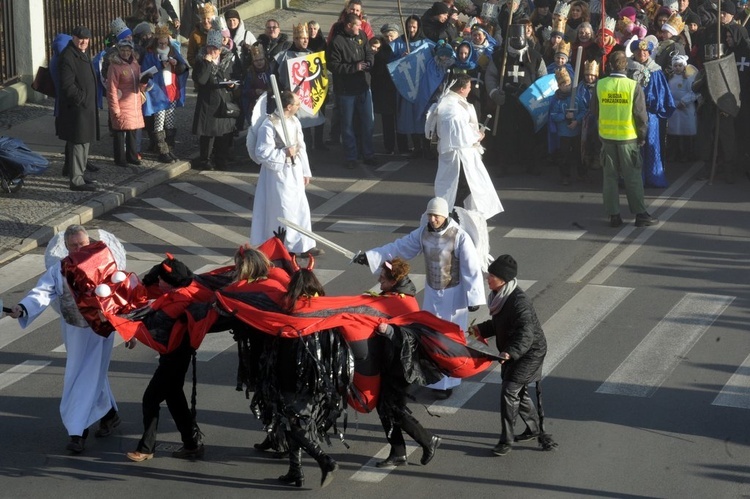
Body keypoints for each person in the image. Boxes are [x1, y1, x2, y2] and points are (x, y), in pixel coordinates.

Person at [8, 225, 132, 453]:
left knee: (83, 375)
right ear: (66, 247)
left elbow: (122, 292)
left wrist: (128, 328)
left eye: (82, 244)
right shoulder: (61, 269)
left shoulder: (105, 260)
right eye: (73, 245)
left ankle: (78, 432)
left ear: (89, 242)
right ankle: (109, 415)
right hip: (74, 329)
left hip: (100, 330)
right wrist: (23, 308)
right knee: (90, 372)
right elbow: (43, 291)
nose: (78, 248)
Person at [354, 197, 485, 398]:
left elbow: (471, 268)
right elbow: (398, 248)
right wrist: (371, 257)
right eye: (431, 215)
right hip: (432, 294)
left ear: (445, 215)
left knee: (448, 339)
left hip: (453, 296)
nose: (433, 219)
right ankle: (432, 376)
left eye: (437, 216)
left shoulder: (459, 237)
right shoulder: (423, 233)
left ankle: (448, 381)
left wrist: (474, 297)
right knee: (430, 336)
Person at [468, 254, 555, 457]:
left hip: (529, 352)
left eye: (492, 276)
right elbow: (499, 324)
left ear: (503, 280)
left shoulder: (518, 302)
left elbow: (526, 332)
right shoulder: (499, 296)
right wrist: (478, 330)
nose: (487, 279)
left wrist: (510, 352)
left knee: (509, 391)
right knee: (518, 392)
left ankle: (506, 440)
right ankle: (534, 429)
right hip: (513, 349)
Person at [126, 255, 206, 462]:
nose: (158, 283)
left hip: (174, 357)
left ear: (170, 284)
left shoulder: (178, 300)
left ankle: (146, 448)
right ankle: (191, 444)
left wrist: (126, 326)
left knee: (151, 399)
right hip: (176, 355)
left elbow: (152, 323)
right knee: (174, 398)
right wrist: (152, 276)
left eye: (162, 280)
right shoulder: (184, 291)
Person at [431, 73, 503, 266]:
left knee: (462, 192)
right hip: (457, 160)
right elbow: (459, 133)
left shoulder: (452, 102)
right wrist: (476, 136)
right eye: (469, 87)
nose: (471, 90)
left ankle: (458, 222)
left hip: (458, 157)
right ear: (462, 88)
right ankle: (453, 224)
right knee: (459, 191)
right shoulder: (451, 108)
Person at [589, 51, 657, 228]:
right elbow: (641, 116)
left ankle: (614, 216)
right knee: (632, 177)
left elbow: (594, 111)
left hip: (607, 137)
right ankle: (640, 215)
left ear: (610, 65)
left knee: (609, 178)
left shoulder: (600, 85)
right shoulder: (633, 86)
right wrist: (642, 136)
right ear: (625, 66)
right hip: (628, 138)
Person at [251, 90, 321, 256]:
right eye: (297, 103)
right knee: (284, 209)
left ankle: (304, 244)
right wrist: (284, 153)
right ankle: (286, 247)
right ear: (288, 106)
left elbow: (301, 146)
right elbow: (261, 153)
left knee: (300, 207)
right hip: (278, 175)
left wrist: (305, 171)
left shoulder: (295, 120)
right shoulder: (269, 125)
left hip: (295, 172)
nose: (299, 106)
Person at [328, 13, 377, 169]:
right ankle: (351, 156)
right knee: (348, 125)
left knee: (368, 123)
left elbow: (368, 50)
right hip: (346, 90)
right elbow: (333, 66)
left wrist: (369, 61)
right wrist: (353, 68)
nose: (360, 28)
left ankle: (368, 153)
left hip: (363, 86)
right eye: (357, 25)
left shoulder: (361, 35)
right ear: (349, 25)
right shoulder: (337, 42)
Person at [627, 38, 676, 188]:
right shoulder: (628, 70)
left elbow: (662, 92)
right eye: (638, 51)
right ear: (634, 52)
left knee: (651, 144)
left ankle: (653, 176)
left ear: (649, 52)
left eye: (645, 51)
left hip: (650, 114)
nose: (642, 54)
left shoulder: (656, 71)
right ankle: (635, 178)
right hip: (631, 114)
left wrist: (652, 103)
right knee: (633, 146)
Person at [56, 26, 100, 192]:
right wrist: (81, 98)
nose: (84, 42)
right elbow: (67, 86)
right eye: (80, 38)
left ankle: (79, 174)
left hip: (85, 107)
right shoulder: (68, 56)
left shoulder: (80, 53)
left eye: (87, 39)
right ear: (73, 38)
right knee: (78, 143)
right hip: (77, 109)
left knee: (84, 142)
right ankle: (76, 180)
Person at [141, 24, 189, 164]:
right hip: (158, 92)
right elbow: (145, 73)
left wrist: (176, 64)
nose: (163, 45)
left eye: (165, 42)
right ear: (156, 41)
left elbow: (183, 68)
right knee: (159, 121)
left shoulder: (173, 51)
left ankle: (169, 149)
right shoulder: (150, 53)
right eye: (160, 43)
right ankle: (162, 151)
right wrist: (160, 66)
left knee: (170, 120)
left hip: (171, 89)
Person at [192, 29, 237, 171]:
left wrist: (231, 85)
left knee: (223, 134)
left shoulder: (228, 59)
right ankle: (205, 160)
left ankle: (221, 160)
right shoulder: (201, 60)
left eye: (216, 48)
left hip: (224, 100)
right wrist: (207, 62)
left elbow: (236, 75)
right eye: (211, 48)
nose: (213, 51)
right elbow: (201, 80)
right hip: (208, 102)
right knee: (208, 134)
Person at [107, 39, 149, 167]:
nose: (125, 52)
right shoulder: (114, 66)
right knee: (119, 132)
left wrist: (144, 81)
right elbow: (111, 89)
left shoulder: (135, 64)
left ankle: (132, 156)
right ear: (119, 51)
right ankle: (120, 159)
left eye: (128, 50)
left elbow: (139, 85)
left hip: (134, 103)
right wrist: (115, 109)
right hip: (122, 103)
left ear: (132, 51)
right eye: (123, 50)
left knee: (132, 131)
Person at [548, 67, 584, 185]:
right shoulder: (556, 100)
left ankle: (581, 174)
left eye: (568, 84)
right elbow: (553, 115)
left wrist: (577, 121)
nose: (566, 86)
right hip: (563, 133)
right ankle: (565, 175)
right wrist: (564, 116)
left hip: (576, 131)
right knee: (564, 155)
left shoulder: (577, 98)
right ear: (559, 86)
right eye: (563, 85)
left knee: (579, 154)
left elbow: (584, 111)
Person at [666, 54, 698, 163]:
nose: (677, 68)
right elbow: (667, 92)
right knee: (674, 133)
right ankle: (674, 154)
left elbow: (694, 91)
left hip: (686, 109)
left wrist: (684, 101)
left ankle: (687, 154)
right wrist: (673, 103)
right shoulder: (670, 78)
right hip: (674, 109)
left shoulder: (689, 77)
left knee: (686, 133)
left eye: (680, 65)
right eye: (675, 66)